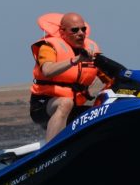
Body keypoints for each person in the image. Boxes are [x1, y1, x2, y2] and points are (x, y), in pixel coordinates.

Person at [29, 12, 109, 143]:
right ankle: (51, 151)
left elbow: (109, 77)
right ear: (63, 31)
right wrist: (75, 60)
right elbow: (47, 71)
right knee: (65, 102)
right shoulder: (48, 47)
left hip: (74, 108)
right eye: (75, 30)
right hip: (44, 106)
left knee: (103, 111)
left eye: (83, 29)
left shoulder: (90, 51)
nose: (81, 33)